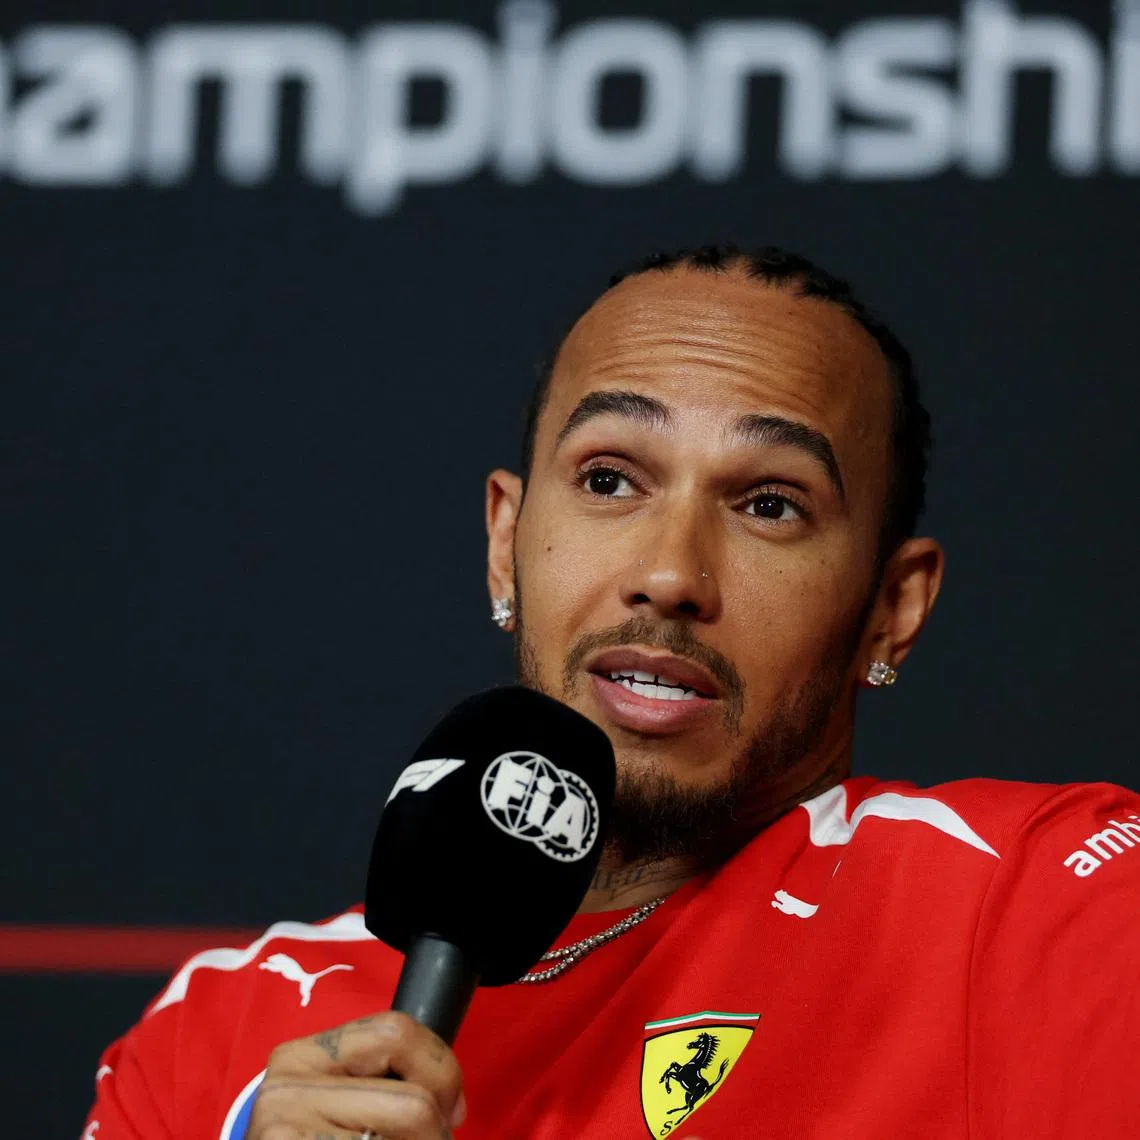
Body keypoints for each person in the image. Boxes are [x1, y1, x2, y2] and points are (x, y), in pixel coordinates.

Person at [84, 246, 1140, 1140]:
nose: (672, 574)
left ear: (891, 608)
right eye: (608, 480)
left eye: (771, 504)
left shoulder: (1044, 908)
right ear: (506, 542)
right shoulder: (221, 1039)